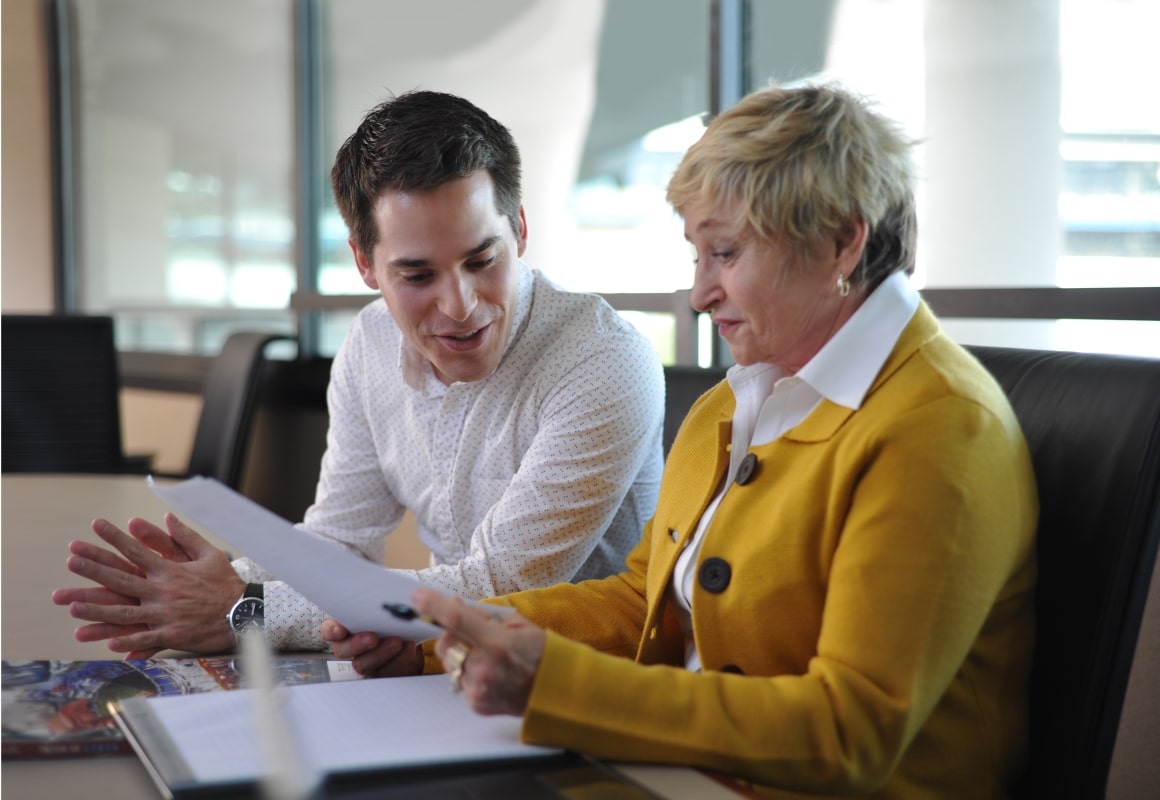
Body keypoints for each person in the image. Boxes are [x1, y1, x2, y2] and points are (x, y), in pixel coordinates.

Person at [389, 83, 1039, 798]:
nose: (700, 293)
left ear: (840, 240)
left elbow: (848, 732)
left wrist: (558, 683)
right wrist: (439, 638)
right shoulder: (735, 401)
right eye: (698, 255)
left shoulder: (939, 427)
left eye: (724, 253)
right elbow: (643, 602)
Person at [51, 90, 665, 675]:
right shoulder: (369, 345)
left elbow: (501, 584)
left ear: (521, 229)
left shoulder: (604, 361)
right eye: (418, 275)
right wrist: (196, 589)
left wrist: (246, 609)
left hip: (596, 682)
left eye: (482, 261)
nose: (460, 306)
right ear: (365, 263)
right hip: (452, 667)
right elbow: (341, 539)